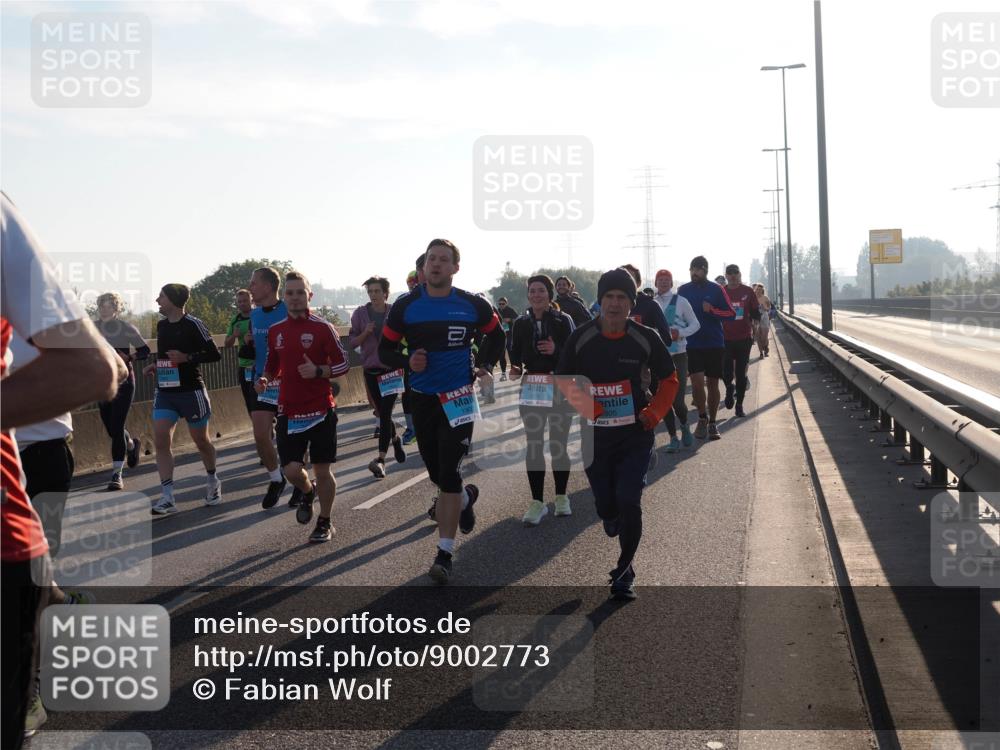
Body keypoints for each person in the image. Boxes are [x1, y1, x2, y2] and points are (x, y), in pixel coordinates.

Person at [2, 192, 123, 750]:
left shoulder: (45, 305)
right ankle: (54, 604)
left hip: (46, 446)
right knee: (41, 579)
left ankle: (31, 684)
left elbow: (104, 367)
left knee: (35, 572)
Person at [379, 239, 504, 584]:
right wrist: (408, 361)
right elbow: (384, 350)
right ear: (424, 267)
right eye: (431, 259)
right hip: (422, 398)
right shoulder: (405, 307)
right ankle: (465, 497)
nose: (435, 265)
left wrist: (485, 364)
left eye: (443, 260)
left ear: (454, 268)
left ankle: (444, 553)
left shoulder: (472, 304)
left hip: (459, 397)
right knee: (437, 473)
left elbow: (497, 336)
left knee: (449, 471)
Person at [555, 268, 678, 600]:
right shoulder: (581, 337)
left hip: (636, 432)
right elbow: (565, 379)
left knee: (629, 499)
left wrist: (653, 414)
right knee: (607, 505)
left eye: (621, 297)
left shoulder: (645, 336)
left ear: (631, 303)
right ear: (600, 300)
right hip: (595, 434)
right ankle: (609, 514)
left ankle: (625, 571)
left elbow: (669, 380)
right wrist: (589, 409)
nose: (614, 303)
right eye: (609, 296)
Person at [256, 271, 350, 543]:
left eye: (300, 293)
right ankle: (308, 493)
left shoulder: (323, 328)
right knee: (292, 471)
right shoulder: (276, 331)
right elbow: (273, 365)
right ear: (284, 297)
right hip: (289, 410)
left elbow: (344, 364)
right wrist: (265, 378)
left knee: (322, 470)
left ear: (309, 296)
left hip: (321, 409)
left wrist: (319, 370)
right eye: (290, 293)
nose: (295, 298)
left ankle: (325, 520)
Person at [142, 283, 222, 514]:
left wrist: (187, 357)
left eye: (161, 296)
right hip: (166, 392)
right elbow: (168, 356)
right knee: (161, 440)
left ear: (174, 300)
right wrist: (156, 365)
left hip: (191, 391)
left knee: (201, 441)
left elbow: (214, 354)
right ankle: (167, 497)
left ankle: (212, 481)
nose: (157, 300)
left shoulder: (193, 324)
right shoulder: (162, 325)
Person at [508, 275, 575, 525]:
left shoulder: (563, 320)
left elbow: (573, 353)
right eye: (532, 291)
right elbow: (514, 353)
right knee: (534, 444)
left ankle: (561, 497)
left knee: (559, 444)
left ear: (550, 294)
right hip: (532, 386)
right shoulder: (520, 323)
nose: (536, 295)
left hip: (559, 385)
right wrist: (515, 369)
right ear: (528, 295)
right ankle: (537, 502)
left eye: (541, 291)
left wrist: (556, 351)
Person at [350, 276, 406, 480]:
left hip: (391, 370)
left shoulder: (395, 312)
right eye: (370, 291)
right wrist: (365, 332)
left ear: (385, 293)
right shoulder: (359, 314)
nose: (373, 295)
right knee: (381, 413)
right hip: (371, 370)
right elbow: (353, 342)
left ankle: (381, 460)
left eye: (376, 291)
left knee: (384, 414)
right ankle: (395, 439)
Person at [93, 292, 150, 490]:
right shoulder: (92, 328)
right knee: (111, 428)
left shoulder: (125, 328)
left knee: (117, 426)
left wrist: (128, 358)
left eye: (108, 306)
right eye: (101, 306)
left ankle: (117, 474)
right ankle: (132, 445)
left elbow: (145, 350)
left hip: (124, 382)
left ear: (117, 309)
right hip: (102, 383)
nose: (104, 309)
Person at [678, 256, 735, 441]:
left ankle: (712, 423)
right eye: (692, 269)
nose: (694, 272)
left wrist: (713, 311)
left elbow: (731, 314)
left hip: (714, 343)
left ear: (705, 270)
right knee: (696, 382)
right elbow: (676, 315)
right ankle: (702, 418)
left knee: (712, 384)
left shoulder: (716, 289)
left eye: (698, 269)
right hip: (692, 344)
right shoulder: (683, 290)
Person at [248, 267, 290, 508]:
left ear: (267, 286)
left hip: (288, 382)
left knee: (290, 437)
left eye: (254, 283)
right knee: (260, 435)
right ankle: (276, 478)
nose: (251, 287)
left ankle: (301, 480)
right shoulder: (254, 315)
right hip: (263, 381)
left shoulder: (288, 309)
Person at [652, 269, 700, 452]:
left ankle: (685, 425)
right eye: (660, 280)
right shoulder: (652, 303)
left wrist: (680, 333)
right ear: (656, 283)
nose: (663, 282)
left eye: (667, 280)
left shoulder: (681, 302)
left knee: (677, 400)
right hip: (658, 358)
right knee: (663, 400)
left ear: (672, 284)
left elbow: (696, 324)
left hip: (679, 355)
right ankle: (673, 437)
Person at [721, 264, 761, 418]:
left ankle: (739, 405)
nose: (732, 276)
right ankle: (729, 388)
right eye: (729, 274)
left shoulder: (747, 291)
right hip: (725, 338)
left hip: (744, 337)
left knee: (741, 373)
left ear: (740, 274)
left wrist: (755, 327)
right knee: (726, 371)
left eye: (735, 273)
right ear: (726, 276)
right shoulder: (722, 291)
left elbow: (755, 312)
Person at [224, 288, 256, 415]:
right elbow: (227, 344)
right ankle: (259, 430)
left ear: (251, 300)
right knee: (249, 400)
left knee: (266, 399)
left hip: (261, 364)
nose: (242, 303)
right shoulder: (235, 320)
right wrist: (234, 336)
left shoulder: (258, 315)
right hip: (245, 366)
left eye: (245, 301)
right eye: (240, 301)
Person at [496, 297, 518, 381]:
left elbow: (517, 319)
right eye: (500, 304)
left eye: (503, 304)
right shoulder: (497, 311)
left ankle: (514, 372)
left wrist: (510, 320)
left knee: (510, 353)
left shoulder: (510, 310)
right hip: (501, 335)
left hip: (509, 334)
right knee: (501, 355)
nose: (501, 305)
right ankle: (503, 374)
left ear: (506, 303)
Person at [754, 284, 772, 358]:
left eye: (760, 290)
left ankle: (765, 347)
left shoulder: (765, 298)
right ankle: (761, 353)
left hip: (764, 317)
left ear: (762, 290)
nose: (758, 291)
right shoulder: (753, 298)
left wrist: (765, 308)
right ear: (755, 290)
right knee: (758, 336)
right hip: (756, 318)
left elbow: (769, 307)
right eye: (757, 289)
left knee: (764, 336)